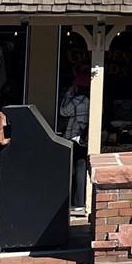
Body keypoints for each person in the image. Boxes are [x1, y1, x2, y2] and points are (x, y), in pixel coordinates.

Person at [58, 74, 91, 214]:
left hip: (74, 137)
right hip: (85, 138)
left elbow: (64, 111)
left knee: (72, 170)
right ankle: (80, 202)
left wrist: (68, 94)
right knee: (82, 169)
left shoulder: (77, 100)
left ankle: (72, 201)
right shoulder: (91, 99)